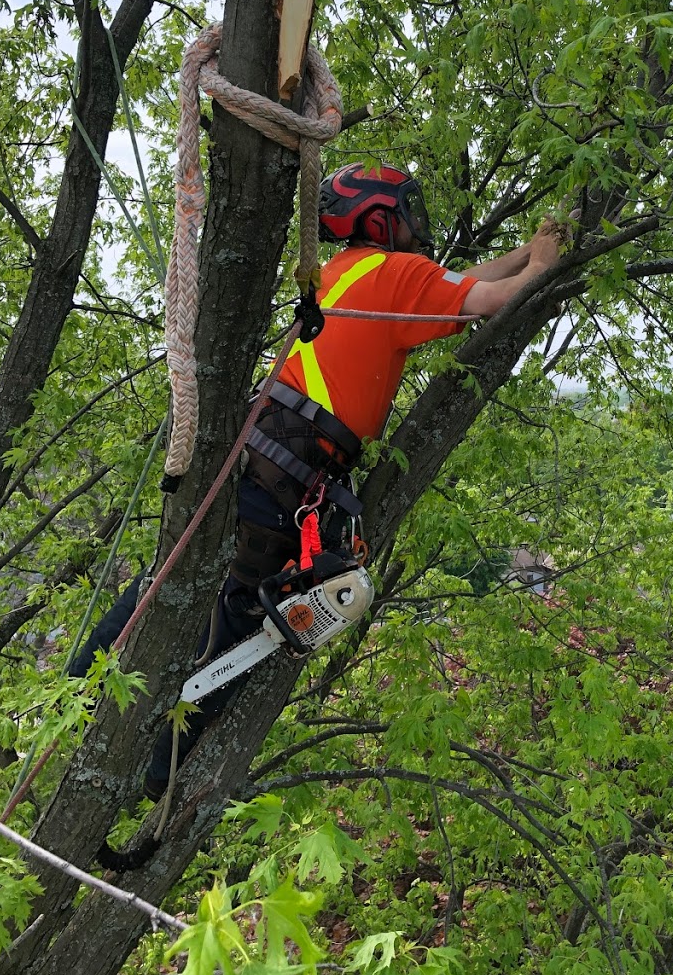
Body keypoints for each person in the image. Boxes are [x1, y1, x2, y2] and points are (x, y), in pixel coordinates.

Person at [73, 162, 566, 797]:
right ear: (385, 217)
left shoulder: (345, 274)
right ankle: (158, 775)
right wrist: (545, 266)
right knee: (238, 625)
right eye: (410, 212)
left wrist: (528, 249)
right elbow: (489, 300)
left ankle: (81, 691)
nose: (421, 226)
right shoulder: (396, 274)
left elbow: (459, 284)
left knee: (175, 582)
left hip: (262, 462)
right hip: (288, 480)